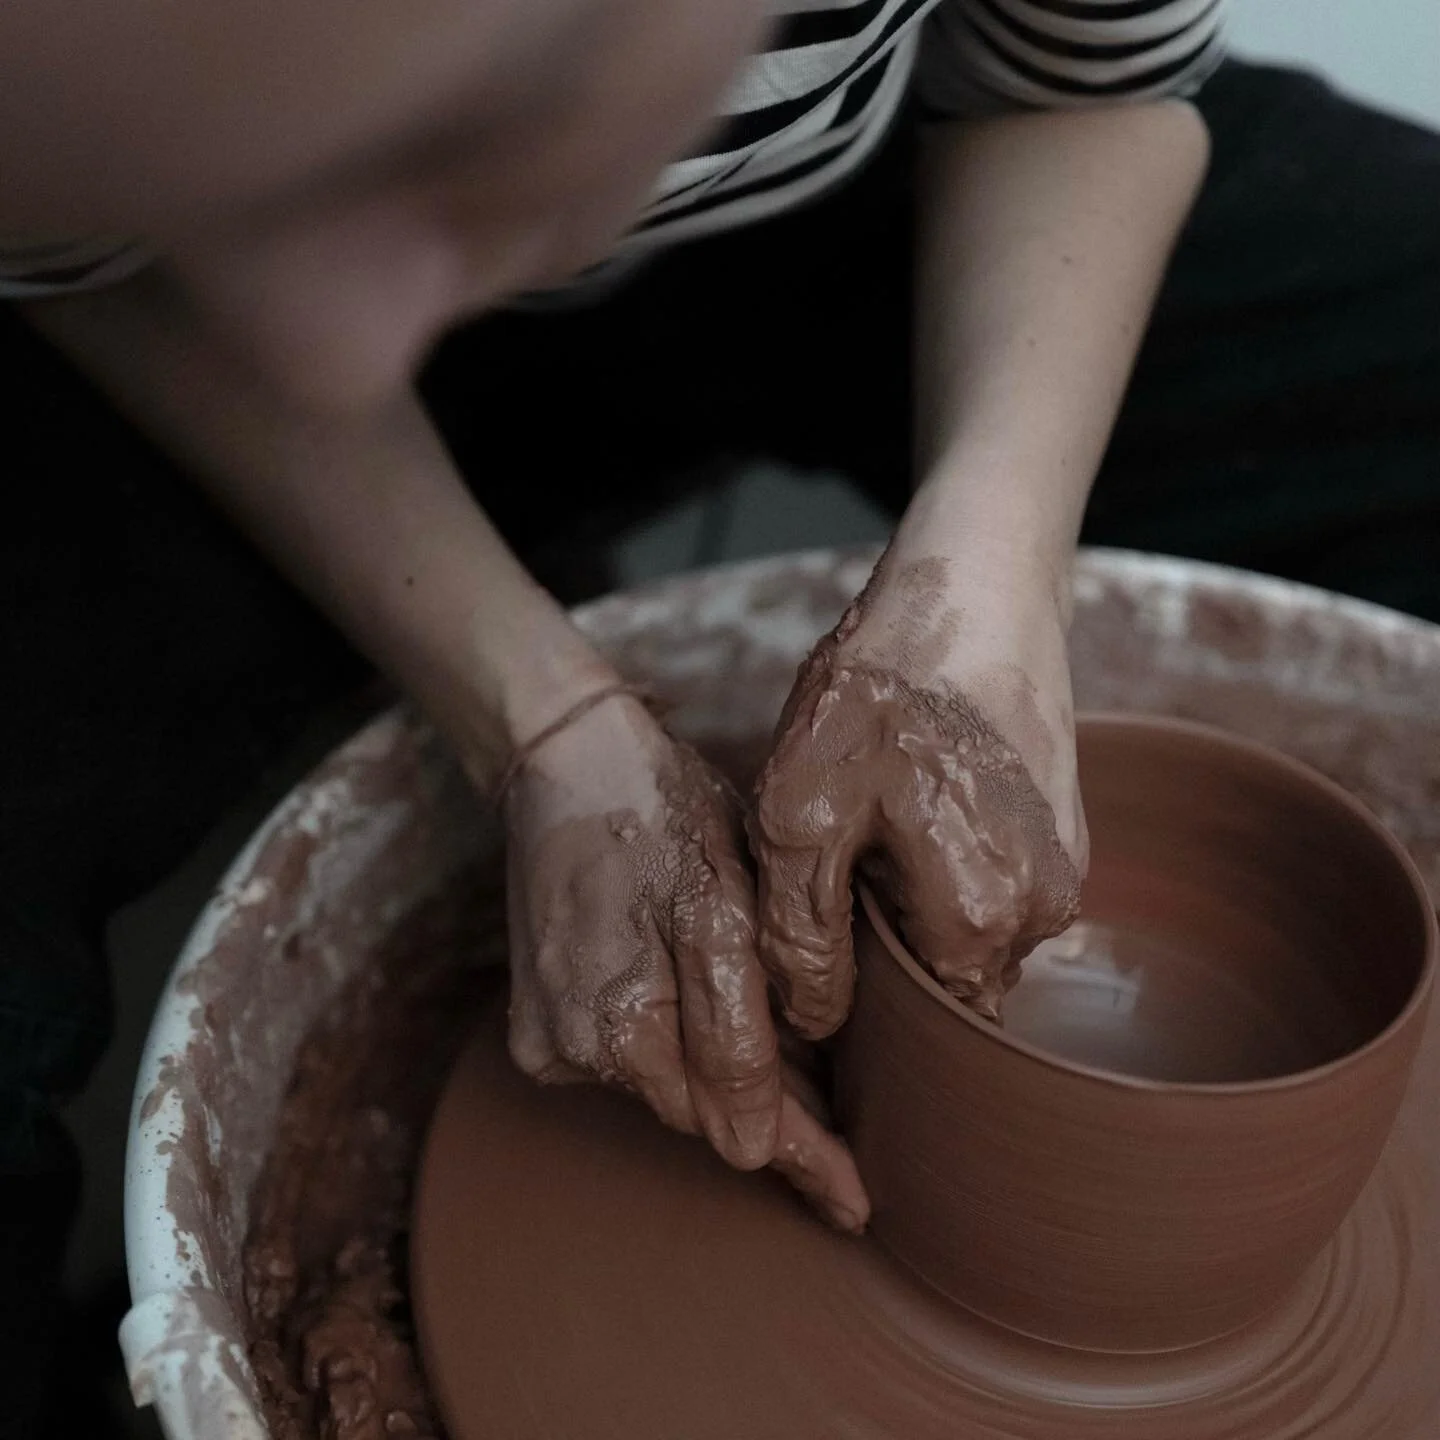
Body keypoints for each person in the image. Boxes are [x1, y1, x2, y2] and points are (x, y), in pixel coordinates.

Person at [4, 0, 1439, 1433]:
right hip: (191, 317)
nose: (344, 331)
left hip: (839, 184)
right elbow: (112, 258)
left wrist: (991, 556)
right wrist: (537, 716)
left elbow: (1081, 84)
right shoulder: (261, 250)